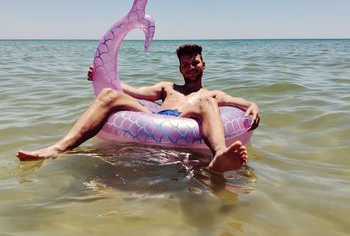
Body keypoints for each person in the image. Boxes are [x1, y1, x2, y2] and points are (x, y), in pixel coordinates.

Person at [17, 44, 260, 174]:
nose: (190, 67)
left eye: (195, 62)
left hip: (188, 118)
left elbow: (241, 102)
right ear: (180, 69)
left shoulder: (211, 95)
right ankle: (57, 148)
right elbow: (130, 90)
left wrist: (254, 105)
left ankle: (219, 155)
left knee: (207, 101)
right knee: (109, 94)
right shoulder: (167, 88)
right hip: (156, 117)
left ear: (203, 64)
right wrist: (100, 77)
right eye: (185, 64)